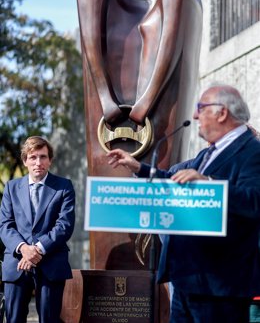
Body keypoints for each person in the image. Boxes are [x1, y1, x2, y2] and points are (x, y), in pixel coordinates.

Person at [107, 84, 260, 323]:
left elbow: (255, 201)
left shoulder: (252, 151)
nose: (195, 115)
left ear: (222, 113)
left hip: (220, 285)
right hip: (188, 278)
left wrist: (209, 184)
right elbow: (175, 179)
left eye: (201, 108)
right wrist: (139, 167)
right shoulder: (209, 153)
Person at [0, 136, 75, 323]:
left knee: (49, 320)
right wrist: (24, 249)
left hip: (51, 263)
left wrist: (38, 249)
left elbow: (64, 225)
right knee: (13, 319)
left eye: (43, 157)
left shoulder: (64, 187)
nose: (38, 162)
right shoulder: (11, 187)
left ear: (50, 160)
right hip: (17, 263)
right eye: (33, 157)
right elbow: (5, 225)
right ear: (25, 160)